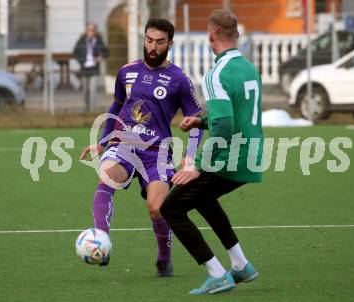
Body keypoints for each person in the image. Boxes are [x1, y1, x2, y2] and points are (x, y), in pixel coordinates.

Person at [80, 18, 203, 277]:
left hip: (156, 153)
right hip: (124, 143)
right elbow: (116, 106)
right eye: (149, 40)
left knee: (157, 208)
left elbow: (197, 121)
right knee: (106, 176)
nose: (153, 47)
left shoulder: (179, 79)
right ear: (144, 39)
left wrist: (190, 158)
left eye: (160, 42)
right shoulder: (127, 71)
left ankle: (164, 258)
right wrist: (103, 141)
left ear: (170, 43)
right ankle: (101, 239)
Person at [160, 10, 263, 294]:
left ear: (211, 35)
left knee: (172, 208)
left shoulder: (217, 73)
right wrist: (202, 120)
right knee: (203, 199)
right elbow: (234, 111)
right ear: (237, 36)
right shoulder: (248, 67)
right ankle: (240, 264)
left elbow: (226, 124)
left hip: (230, 157)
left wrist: (198, 165)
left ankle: (217, 273)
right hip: (251, 153)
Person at [72, 22, 109, 112]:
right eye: (89, 30)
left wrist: (101, 57)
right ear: (86, 31)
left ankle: (92, 110)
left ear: (95, 31)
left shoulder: (99, 40)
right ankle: (86, 107)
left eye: (93, 30)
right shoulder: (82, 40)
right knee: (85, 90)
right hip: (84, 68)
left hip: (94, 68)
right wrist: (81, 62)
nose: (91, 32)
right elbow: (75, 53)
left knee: (92, 90)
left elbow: (106, 52)